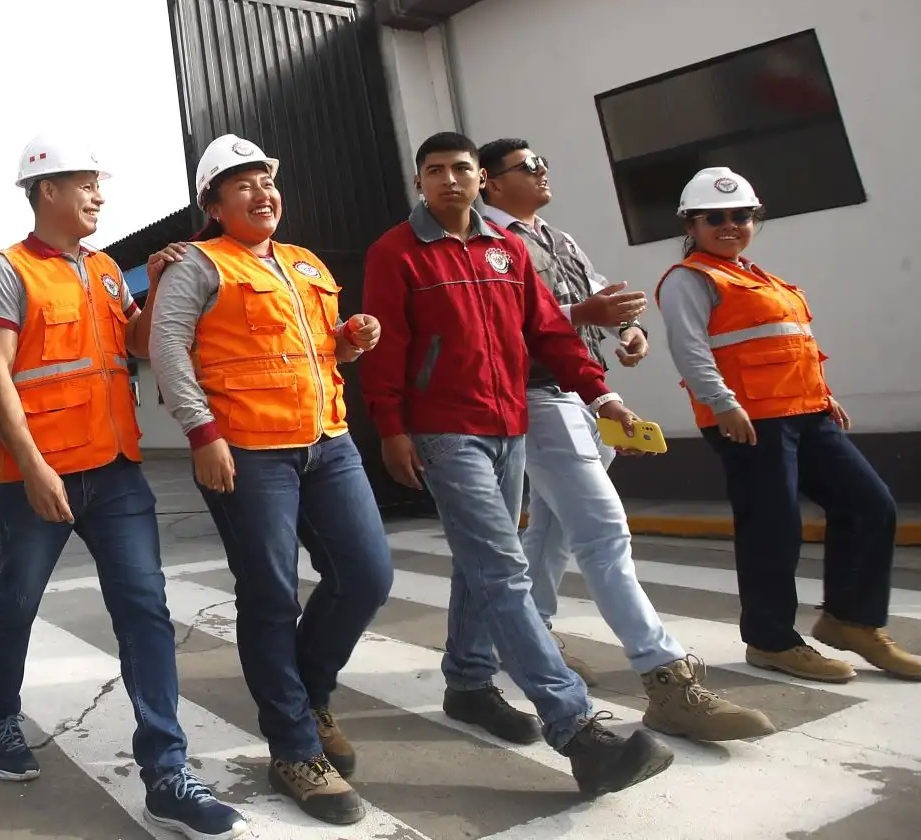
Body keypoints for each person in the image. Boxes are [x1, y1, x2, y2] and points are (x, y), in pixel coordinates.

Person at [358, 131, 674, 798]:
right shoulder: (396, 252)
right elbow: (389, 349)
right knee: (504, 570)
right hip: (446, 431)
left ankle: (470, 684)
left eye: (461, 169)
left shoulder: (506, 250)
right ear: (420, 182)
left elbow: (550, 333)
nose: (449, 179)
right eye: (435, 170)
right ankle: (577, 729)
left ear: (479, 181)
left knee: (484, 566)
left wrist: (605, 394)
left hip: (511, 425)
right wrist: (392, 429)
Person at [0, 135, 247, 840]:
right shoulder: (8, 270)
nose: (99, 196)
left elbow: (132, 344)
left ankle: (166, 772)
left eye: (99, 185)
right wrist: (32, 467)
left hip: (115, 468)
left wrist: (151, 286)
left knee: (144, 609)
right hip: (36, 472)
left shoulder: (102, 270)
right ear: (46, 192)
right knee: (18, 600)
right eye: (86, 185)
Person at [477, 139, 773, 741]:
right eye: (528, 166)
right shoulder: (485, 243)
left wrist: (629, 328)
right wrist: (582, 315)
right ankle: (666, 676)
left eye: (543, 161)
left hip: (583, 392)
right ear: (491, 182)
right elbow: (495, 322)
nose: (542, 171)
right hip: (536, 393)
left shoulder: (558, 239)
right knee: (604, 531)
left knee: (554, 528)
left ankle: (527, 634)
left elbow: (600, 290)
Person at [148, 134, 391, 824]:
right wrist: (202, 434)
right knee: (270, 596)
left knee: (366, 574)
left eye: (267, 182)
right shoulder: (199, 263)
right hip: (247, 451)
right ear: (214, 204)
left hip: (327, 441)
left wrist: (350, 339)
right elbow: (167, 349)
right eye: (243, 184)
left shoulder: (305, 264)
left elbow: (321, 353)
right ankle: (292, 747)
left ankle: (309, 697)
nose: (262, 194)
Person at [656, 167, 919, 682]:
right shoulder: (691, 279)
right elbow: (689, 349)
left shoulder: (760, 278)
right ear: (691, 223)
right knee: (772, 528)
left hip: (807, 413)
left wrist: (824, 396)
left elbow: (790, 346)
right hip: (749, 419)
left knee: (870, 505)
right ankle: (771, 640)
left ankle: (851, 621)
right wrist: (722, 403)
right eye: (715, 218)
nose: (730, 225)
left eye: (742, 216)